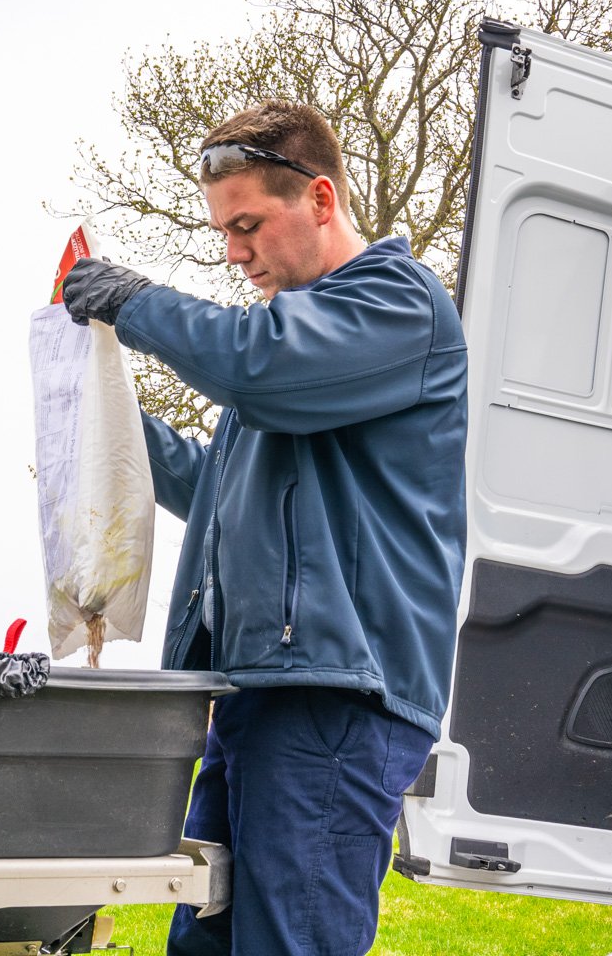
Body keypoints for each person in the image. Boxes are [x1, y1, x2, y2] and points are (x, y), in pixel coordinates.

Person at [60, 100, 466, 956]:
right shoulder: (298, 357)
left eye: (248, 225)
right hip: (257, 689)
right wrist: (101, 426)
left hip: (335, 699)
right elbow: (223, 483)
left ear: (320, 200)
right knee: (205, 940)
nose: (235, 253)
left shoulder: (394, 304)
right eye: (223, 231)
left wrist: (136, 302)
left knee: (291, 944)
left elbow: (258, 366)